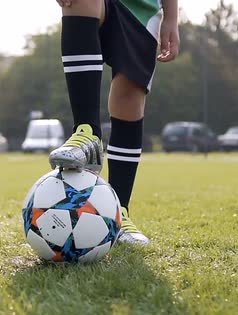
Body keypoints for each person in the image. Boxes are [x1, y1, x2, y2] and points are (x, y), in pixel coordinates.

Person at [49, 0, 180, 245]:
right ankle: (87, 133)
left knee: (129, 97)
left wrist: (171, 17)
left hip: (142, 9)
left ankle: (117, 213)